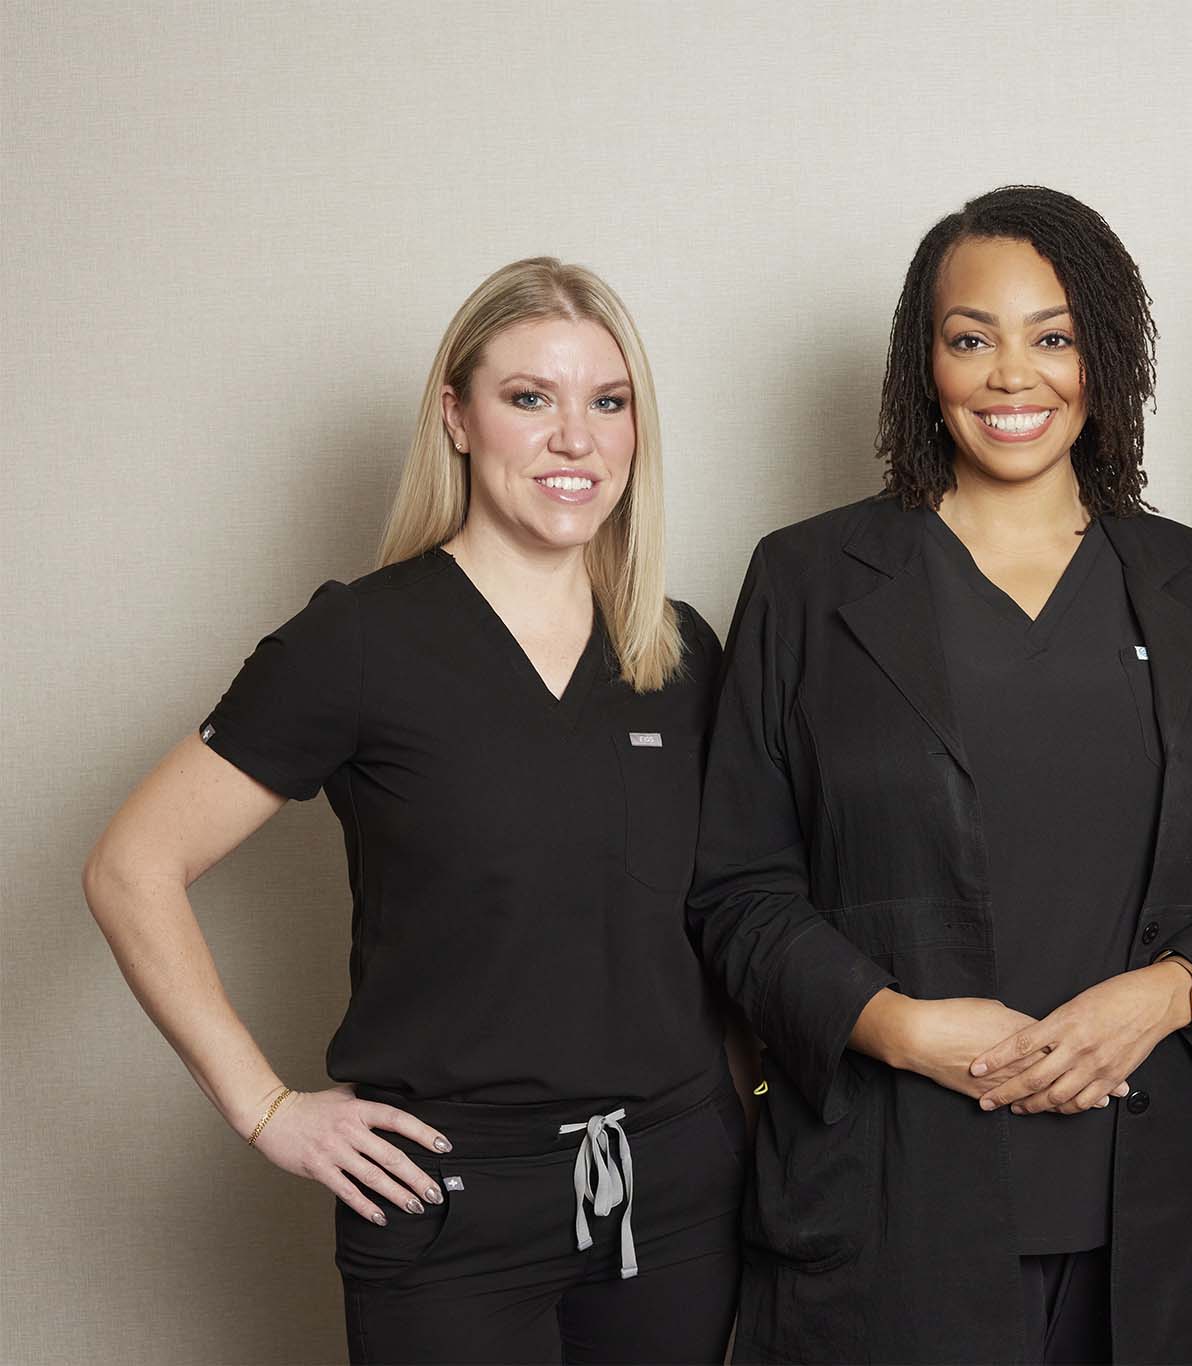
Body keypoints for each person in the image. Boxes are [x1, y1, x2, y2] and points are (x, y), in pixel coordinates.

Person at [688, 185, 1192, 1364]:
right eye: (969, 338)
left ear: (1104, 359)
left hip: (1165, 1197)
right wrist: (895, 1028)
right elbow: (737, 885)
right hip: (889, 1197)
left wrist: (1167, 992)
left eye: (1052, 336)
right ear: (921, 360)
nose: (1011, 375)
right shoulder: (805, 580)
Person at [82, 258, 746, 1365]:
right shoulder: (358, 644)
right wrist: (263, 1108)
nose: (574, 439)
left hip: (676, 1195)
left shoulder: (676, 653)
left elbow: (732, 911)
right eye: (529, 398)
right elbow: (130, 867)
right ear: (456, 416)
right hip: (447, 1201)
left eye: (607, 401)